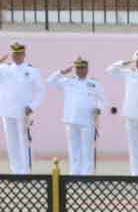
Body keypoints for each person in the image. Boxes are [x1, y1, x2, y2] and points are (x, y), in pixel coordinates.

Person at [47, 56, 106, 175]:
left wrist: (99, 109)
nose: (80, 70)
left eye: (83, 68)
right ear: (75, 69)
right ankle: (75, 172)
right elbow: (49, 81)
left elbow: (103, 100)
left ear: (87, 69)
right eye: (78, 68)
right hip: (71, 120)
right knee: (73, 149)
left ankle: (87, 173)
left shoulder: (94, 83)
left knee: (87, 148)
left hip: (87, 120)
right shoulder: (68, 81)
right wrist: (61, 72)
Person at [0, 41, 45, 173]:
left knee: (24, 142)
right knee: (12, 143)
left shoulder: (32, 70)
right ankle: (16, 171)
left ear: (24, 54)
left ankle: (25, 171)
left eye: (19, 54)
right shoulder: (3, 69)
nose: (16, 56)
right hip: (7, 111)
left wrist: (32, 106)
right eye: (14, 54)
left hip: (23, 112)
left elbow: (40, 91)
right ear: (11, 54)